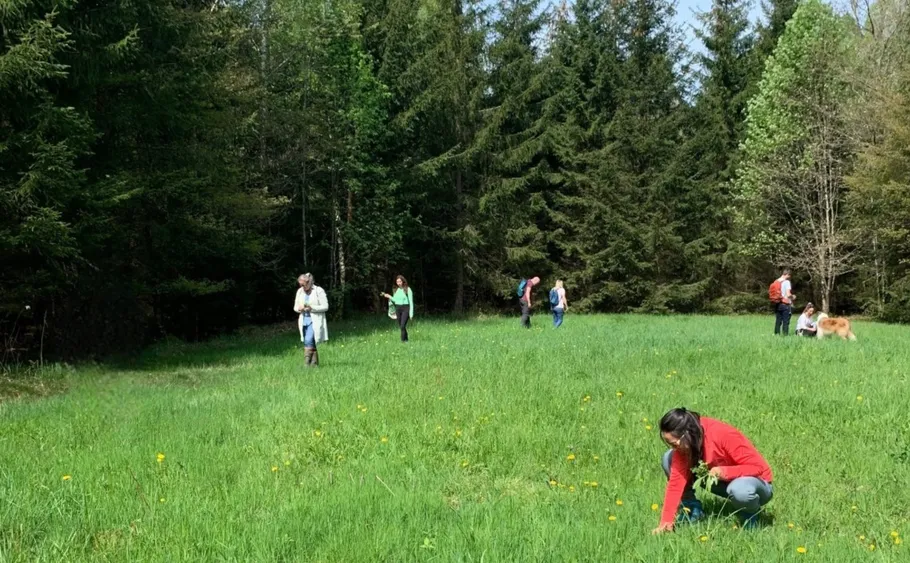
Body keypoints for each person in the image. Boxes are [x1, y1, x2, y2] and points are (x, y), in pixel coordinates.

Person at [653, 408, 773, 534]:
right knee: (668, 458)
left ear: (686, 435)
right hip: (721, 481)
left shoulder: (722, 434)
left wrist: (724, 472)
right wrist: (666, 522)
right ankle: (692, 509)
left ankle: (750, 515)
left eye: (674, 444)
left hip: (757, 485)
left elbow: (758, 467)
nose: (674, 448)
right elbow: (676, 483)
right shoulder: (687, 442)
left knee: (740, 489)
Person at [294, 273, 329, 367]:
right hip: (303, 320)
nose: (301, 286)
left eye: (303, 284)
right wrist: (299, 308)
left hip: (315, 321)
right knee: (310, 341)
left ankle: (306, 364)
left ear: (309, 282)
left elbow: (325, 307)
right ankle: (314, 364)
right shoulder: (300, 291)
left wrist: (311, 308)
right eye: (300, 284)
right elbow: (295, 307)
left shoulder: (318, 290)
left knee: (308, 340)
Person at [382, 275, 414, 342]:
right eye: (397, 282)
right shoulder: (395, 290)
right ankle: (406, 339)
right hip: (398, 309)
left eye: (400, 281)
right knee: (401, 327)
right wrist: (389, 296)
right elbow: (395, 300)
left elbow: (411, 302)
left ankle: (402, 341)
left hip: (406, 308)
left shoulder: (408, 289)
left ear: (403, 281)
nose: (398, 283)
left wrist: (411, 314)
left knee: (402, 325)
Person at [772, 269, 796, 336]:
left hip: (777, 303)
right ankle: (785, 336)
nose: (789, 277)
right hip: (785, 304)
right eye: (789, 276)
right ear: (788, 274)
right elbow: (788, 294)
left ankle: (776, 335)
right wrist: (793, 296)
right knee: (786, 321)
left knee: (778, 321)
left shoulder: (776, 281)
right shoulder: (787, 282)